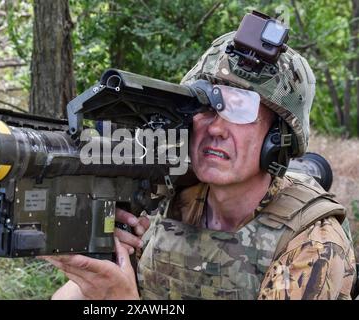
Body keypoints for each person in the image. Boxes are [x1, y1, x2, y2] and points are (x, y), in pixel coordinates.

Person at [43, 20, 357, 300]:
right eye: (205, 104)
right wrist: (96, 267)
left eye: (238, 110)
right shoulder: (168, 198)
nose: (216, 127)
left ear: (278, 138)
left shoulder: (313, 244)